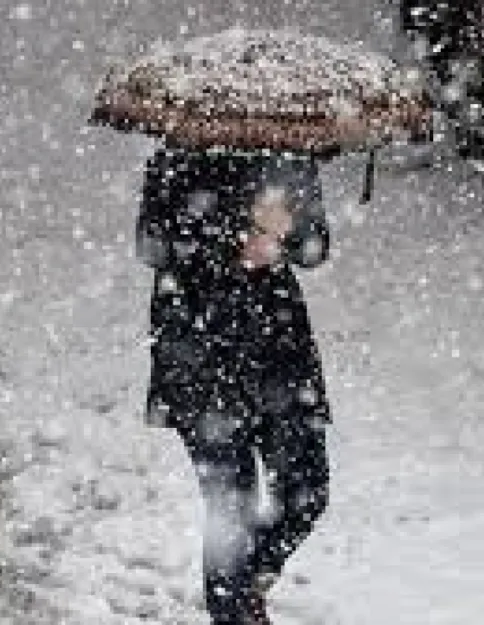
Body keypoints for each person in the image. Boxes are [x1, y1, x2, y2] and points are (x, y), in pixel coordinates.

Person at [136, 145, 332, 625]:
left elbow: (316, 247)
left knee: (307, 489)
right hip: (201, 355)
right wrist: (236, 231)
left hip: (279, 356)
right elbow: (152, 245)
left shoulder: (290, 156)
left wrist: (287, 234)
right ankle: (235, 612)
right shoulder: (177, 158)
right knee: (232, 507)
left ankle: (249, 581)